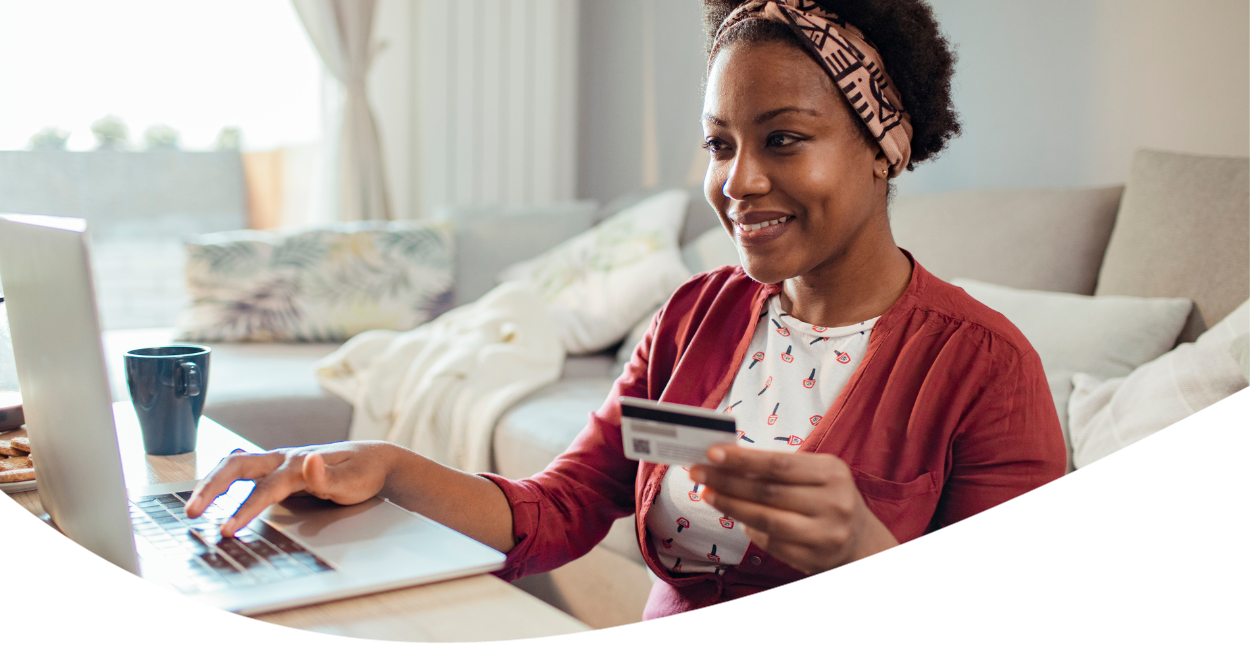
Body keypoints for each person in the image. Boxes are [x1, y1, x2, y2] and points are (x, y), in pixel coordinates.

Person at [186, 0, 1066, 619]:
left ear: (886, 145)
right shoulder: (694, 318)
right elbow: (561, 508)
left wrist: (865, 555)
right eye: (720, 144)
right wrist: (385, 464)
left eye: (784, 139)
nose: (739, 181)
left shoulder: (985, 368)